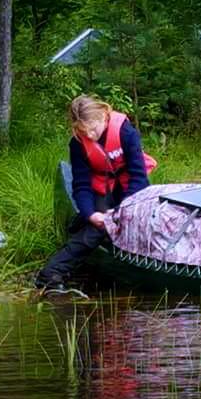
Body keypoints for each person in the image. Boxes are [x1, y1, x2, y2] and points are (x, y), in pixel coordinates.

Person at [35, 95, 154, 289]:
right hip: (101, 188)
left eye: (93, 129)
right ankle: (50, 274)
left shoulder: (126, 132)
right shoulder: (77, 144)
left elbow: (139, 177)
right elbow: (81, 185)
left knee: (139, 222)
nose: (89, 135)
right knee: (99, 228)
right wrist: (91, 214)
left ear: (103, 117)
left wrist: (121, 210)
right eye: (84, 131)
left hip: (131, 189)